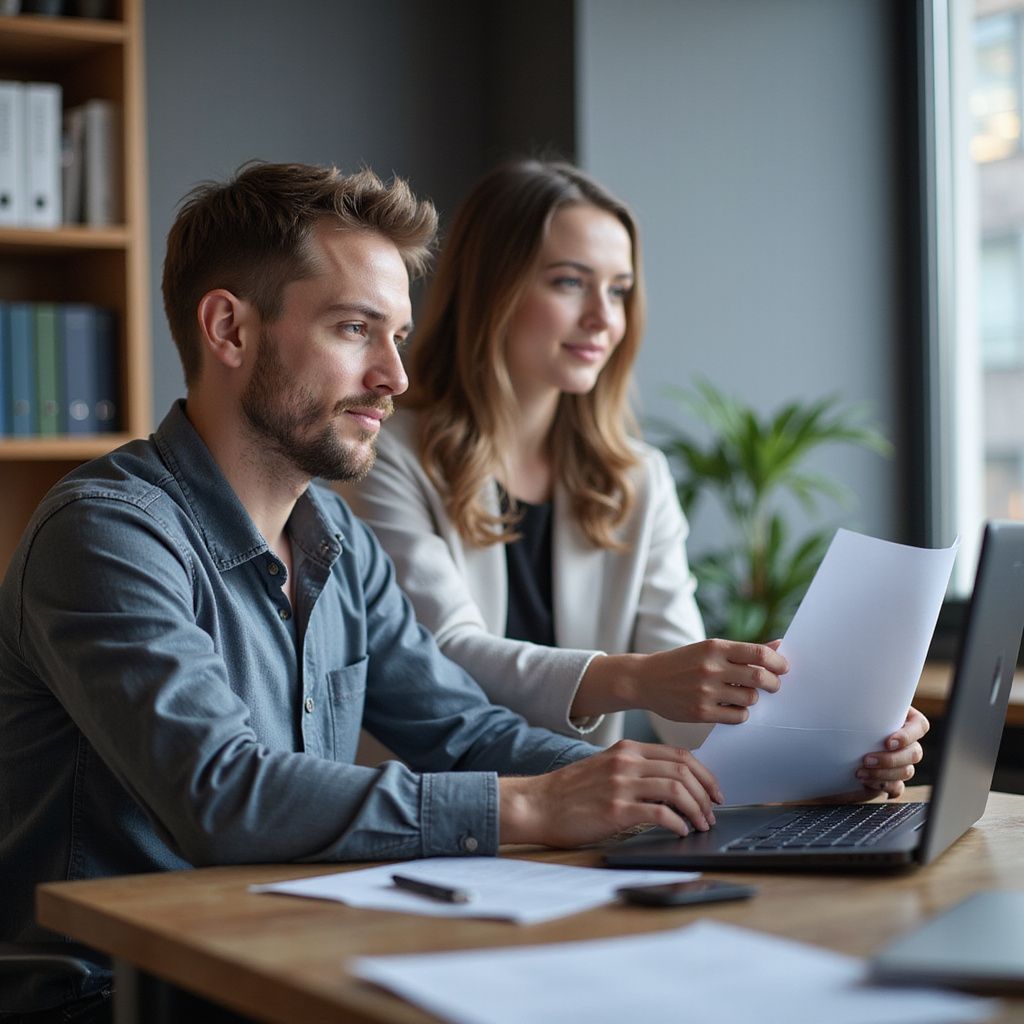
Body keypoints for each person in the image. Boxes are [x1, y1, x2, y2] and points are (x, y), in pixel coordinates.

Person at [0, 162, 725, 1022]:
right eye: (355, 329)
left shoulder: (337, 539)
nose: (396, 377)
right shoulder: (108, 535)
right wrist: (532, 804)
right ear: (229, 329)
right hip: (114, 995)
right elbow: (222, 796)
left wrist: (663, 788)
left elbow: (461, 731)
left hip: (281, 959)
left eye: (398, 335)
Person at [341, 158, 927, 781]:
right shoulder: (383, 453)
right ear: (492, 290)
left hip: (587, 825)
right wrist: (639, 678)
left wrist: (842, 737)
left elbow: (687, 716)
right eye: (570, 282)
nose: (603, 317)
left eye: (618, 290)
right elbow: (438, 657)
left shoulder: (636, 478)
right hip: (429, 820)